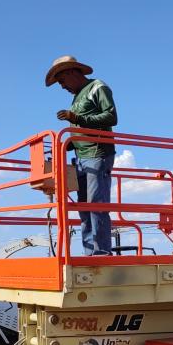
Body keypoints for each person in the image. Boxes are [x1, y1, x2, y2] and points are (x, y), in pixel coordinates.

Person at [46, 55, 118, 256]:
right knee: (84, 208)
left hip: (98, 153)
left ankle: (102, 252)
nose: (62, 86)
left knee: (96, 205)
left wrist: (76, 118)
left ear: (70, 72)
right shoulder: (77, 97)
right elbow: (82, 130)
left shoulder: (98, 87)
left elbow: (111, 116)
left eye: (61, 81)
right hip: (81, 157)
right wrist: (67, 146)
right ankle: (90, 253)